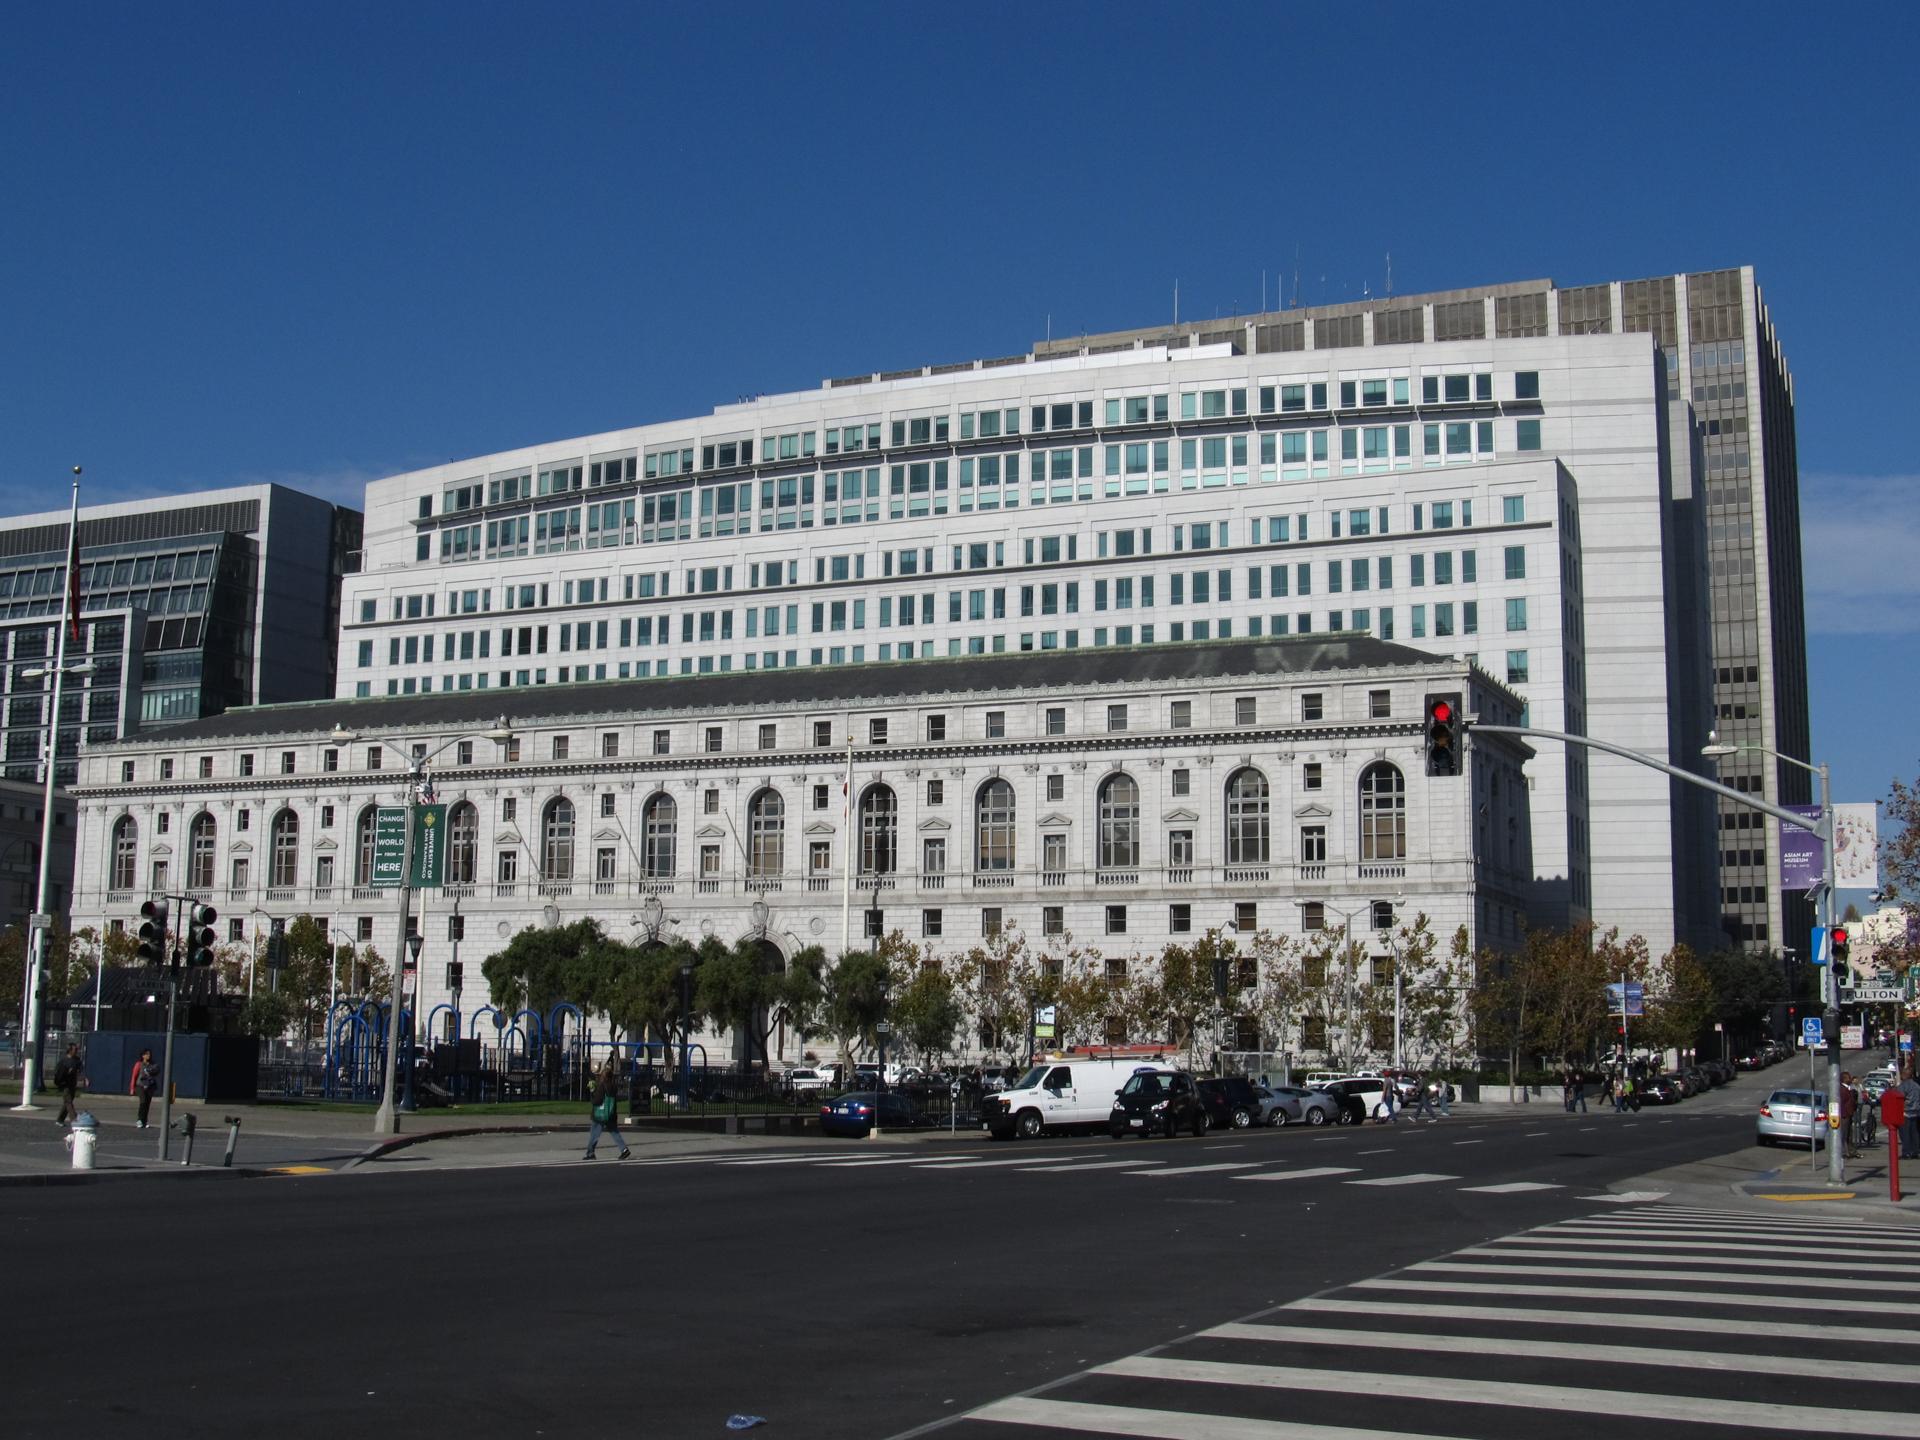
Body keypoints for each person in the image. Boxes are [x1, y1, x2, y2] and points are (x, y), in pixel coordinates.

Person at [583, 1056, 630, 1161]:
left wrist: (592, 1092)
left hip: (600, 1114)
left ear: (603, 1076)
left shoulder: (602, 1086)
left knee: (594, 1133)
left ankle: (590, 1153)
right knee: (614, 1132)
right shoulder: (613, 1087)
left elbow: (597, 1101)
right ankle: (624, 1149)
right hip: (611, 1112)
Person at [52, 1043, 84, 1126]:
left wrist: (85, 1078)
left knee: (67, 1102)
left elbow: (81, 1070)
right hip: (65, 1084)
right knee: (68, 1102)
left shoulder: (77, 1060)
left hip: (72, 1084)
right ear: (70, 1050)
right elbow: (58, 1072)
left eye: (77, 1049)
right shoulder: (63, 1061)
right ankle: (74, 1119)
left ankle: (59, 1120)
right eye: (75, 1050)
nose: (77, 1051)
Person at [130, 1047, 160, 1129]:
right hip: (140, 1086)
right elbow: (134, 1076)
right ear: (143, 1056)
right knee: (143, 1101)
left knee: (147, 1103)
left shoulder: (153, 1064)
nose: (148, 1056)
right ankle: (139, 1120)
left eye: (149, 1054)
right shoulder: (139, 1064)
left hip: (150, 1086)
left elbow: (156, 1072)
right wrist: (132, 1088)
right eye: (146, 1054)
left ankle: (144, 1120)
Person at [1897, 1066, 1920, 1160]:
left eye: (1902, 1074)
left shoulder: (1903, 1086)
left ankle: (1906, 1152)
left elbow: (1898, 1098)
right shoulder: (1917, 1086)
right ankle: (1915, 1151)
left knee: (1905, 1133)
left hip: (1905, 1112)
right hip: (1916, 1112)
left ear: (1905, 1075)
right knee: (1914, 1133)